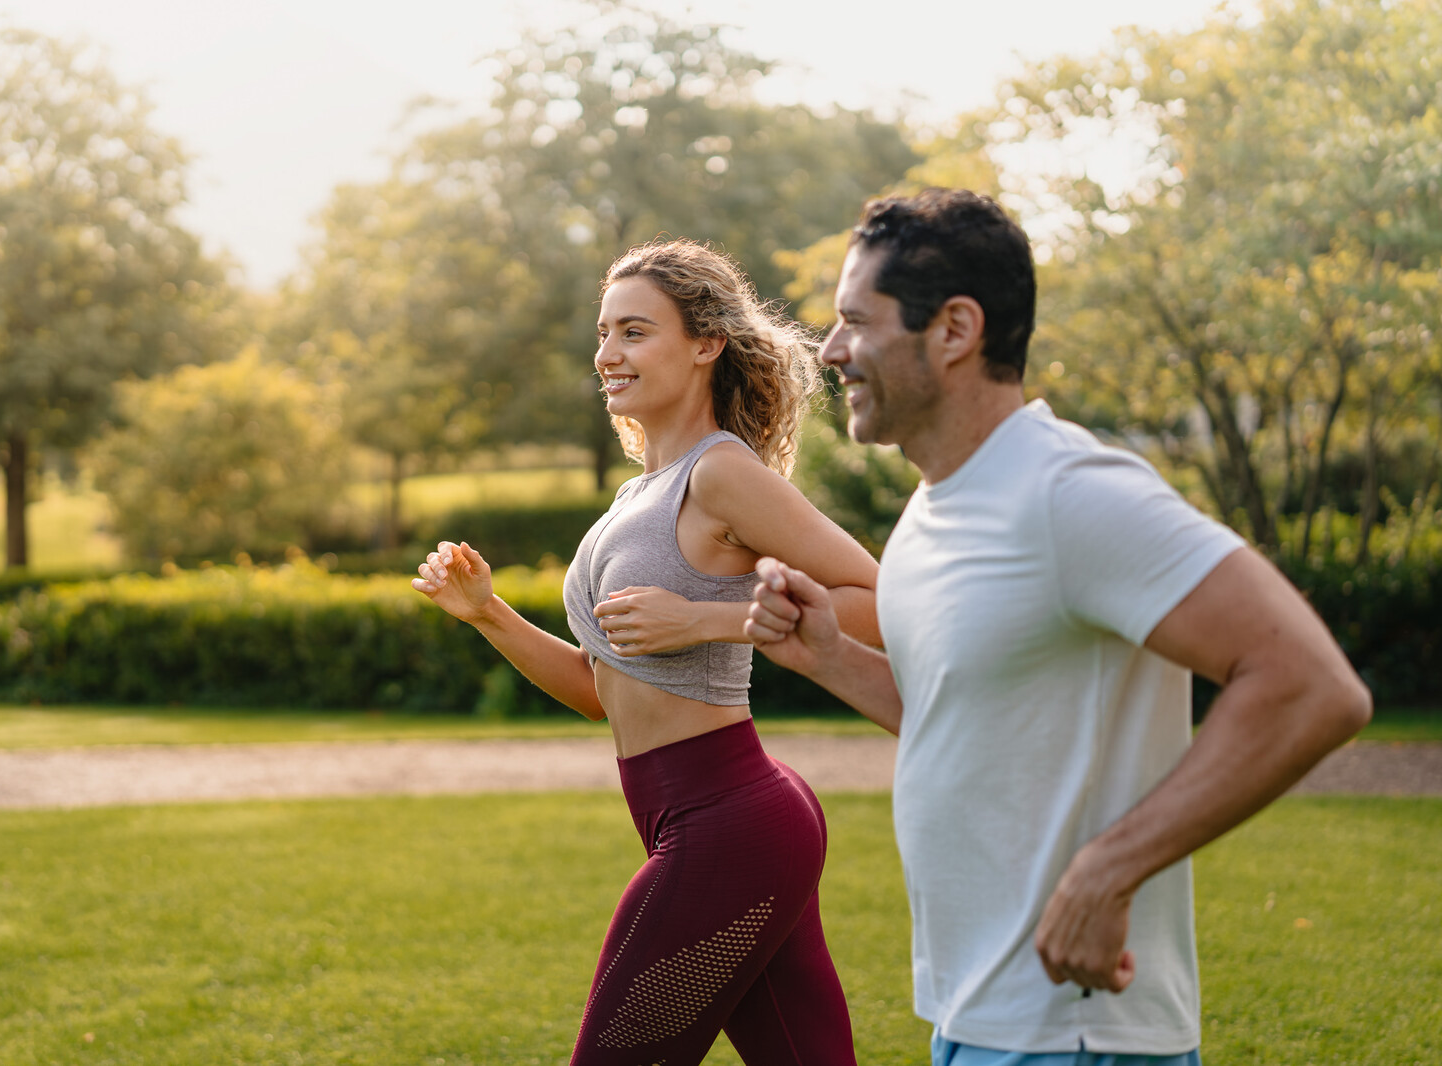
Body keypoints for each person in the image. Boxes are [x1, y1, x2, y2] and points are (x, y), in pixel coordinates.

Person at [744, 189, 1372, 1066]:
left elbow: (1311, 687)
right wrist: (829, 658)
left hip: (1077, 1032)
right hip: (973, 1011)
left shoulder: (1069, 491)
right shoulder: (934, 506)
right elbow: (963, 720)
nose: (830, 349)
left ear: (955, 330)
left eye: (856, 321)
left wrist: (1109, 870)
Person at [412, 238, 881, 1065]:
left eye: (634, 332)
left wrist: (704, 619)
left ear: (706, 344)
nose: (607, 354)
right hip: (699, 812)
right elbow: (601, 691)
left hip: (727, 818)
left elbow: (876, 601)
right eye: (604, 333)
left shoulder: (722, 474)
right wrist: (488, 615)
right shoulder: (637, 494)